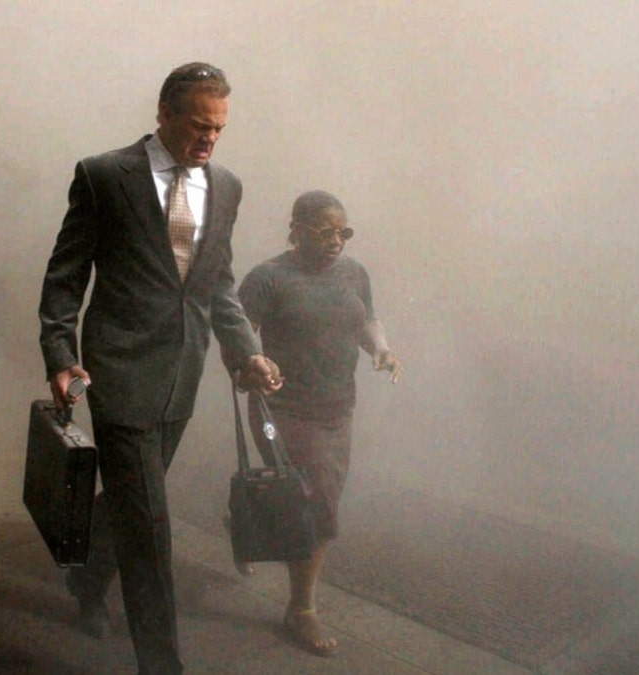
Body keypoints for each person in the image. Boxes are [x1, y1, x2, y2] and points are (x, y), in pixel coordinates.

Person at [38, 62, 282, 675]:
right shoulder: (103, 175)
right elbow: (67, 275)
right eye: (200, 126)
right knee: (149, 526)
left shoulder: (225, 186)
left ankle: (87, 580)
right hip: (118, 371)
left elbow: (216, 281)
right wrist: (62, 356)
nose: (210, 140)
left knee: (132, 502)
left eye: (219, 129)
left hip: (183, 374)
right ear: (164, 113)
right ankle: (161, 664)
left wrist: (244, 349)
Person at [237, 190, 403, 657]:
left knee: (308, 498)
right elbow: (237, 330)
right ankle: (301, 610)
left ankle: (245, 520)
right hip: (283, 409)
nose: (336, 241)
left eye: (343, 232)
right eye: (325, 231)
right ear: (296, 231)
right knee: (315, 504)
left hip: (336, 409)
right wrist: (252, 363)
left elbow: (366, 319)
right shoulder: (268, 278)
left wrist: (381, 349)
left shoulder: (353, 273)